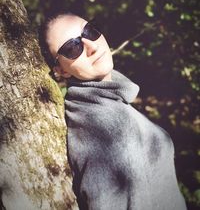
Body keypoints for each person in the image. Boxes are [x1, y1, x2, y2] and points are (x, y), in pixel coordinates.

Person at [42, 13, 187, 210]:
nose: (91, 47)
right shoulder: (104, 125)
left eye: (89, 31)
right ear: (61, 71)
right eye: (72, 47)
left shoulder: (104, 104)